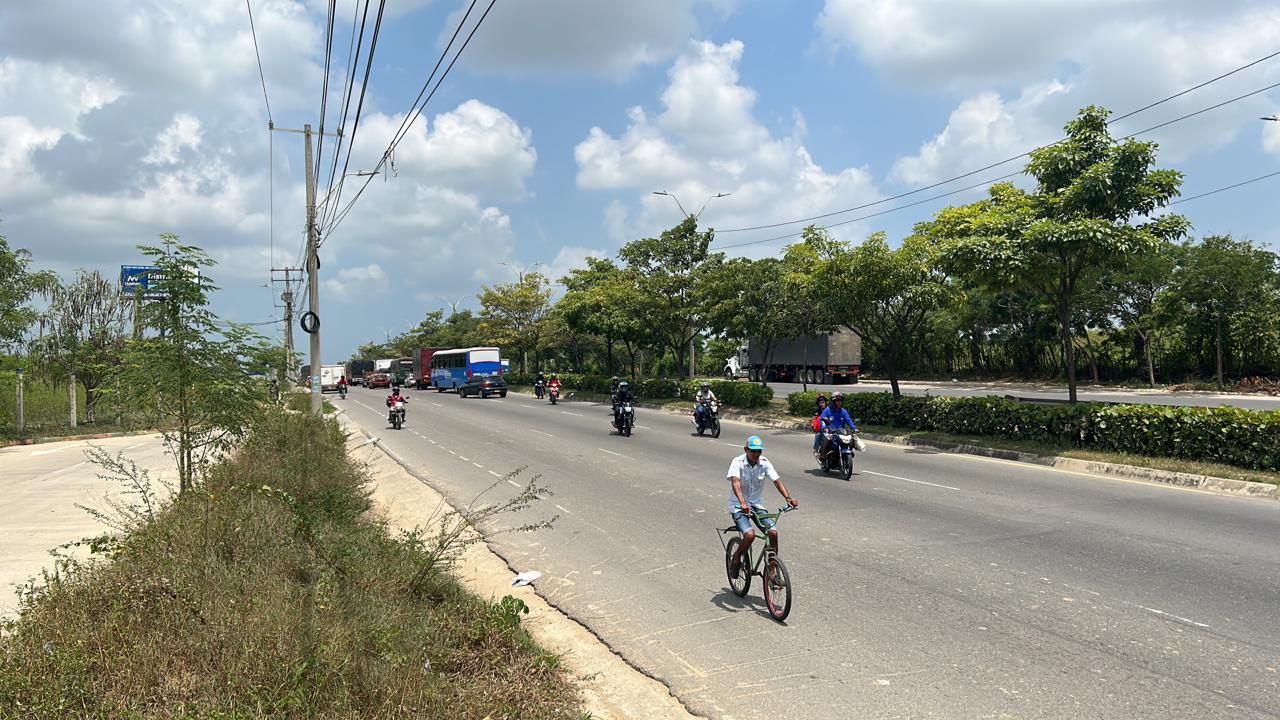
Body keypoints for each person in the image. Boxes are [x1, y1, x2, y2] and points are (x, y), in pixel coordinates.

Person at [726, 435, 798, 578]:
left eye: (759, 451)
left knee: (773, 533)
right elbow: (735, 482)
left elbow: (776, 481)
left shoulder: (764, 463)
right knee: (750, 535)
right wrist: (742, 503)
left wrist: (788, 498)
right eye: (753, 451)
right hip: (738, 506)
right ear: (746, 449)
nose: (756, 454)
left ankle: (772, 566)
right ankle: (736, 557)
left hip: (756, 505)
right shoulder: (737, 462)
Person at [817, 392, 858, 463]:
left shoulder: (843, 411)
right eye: (837, 401)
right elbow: (822, 419)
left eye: (840, 401)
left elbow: (849, 420)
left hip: (841, 432)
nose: (839, 402)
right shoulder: (828, 410)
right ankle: (823, 456)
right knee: (827, 439)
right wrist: (824, 427)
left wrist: (854, 428)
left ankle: (847, 453)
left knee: (852, 440)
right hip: (830, 431)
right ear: (833, 402)